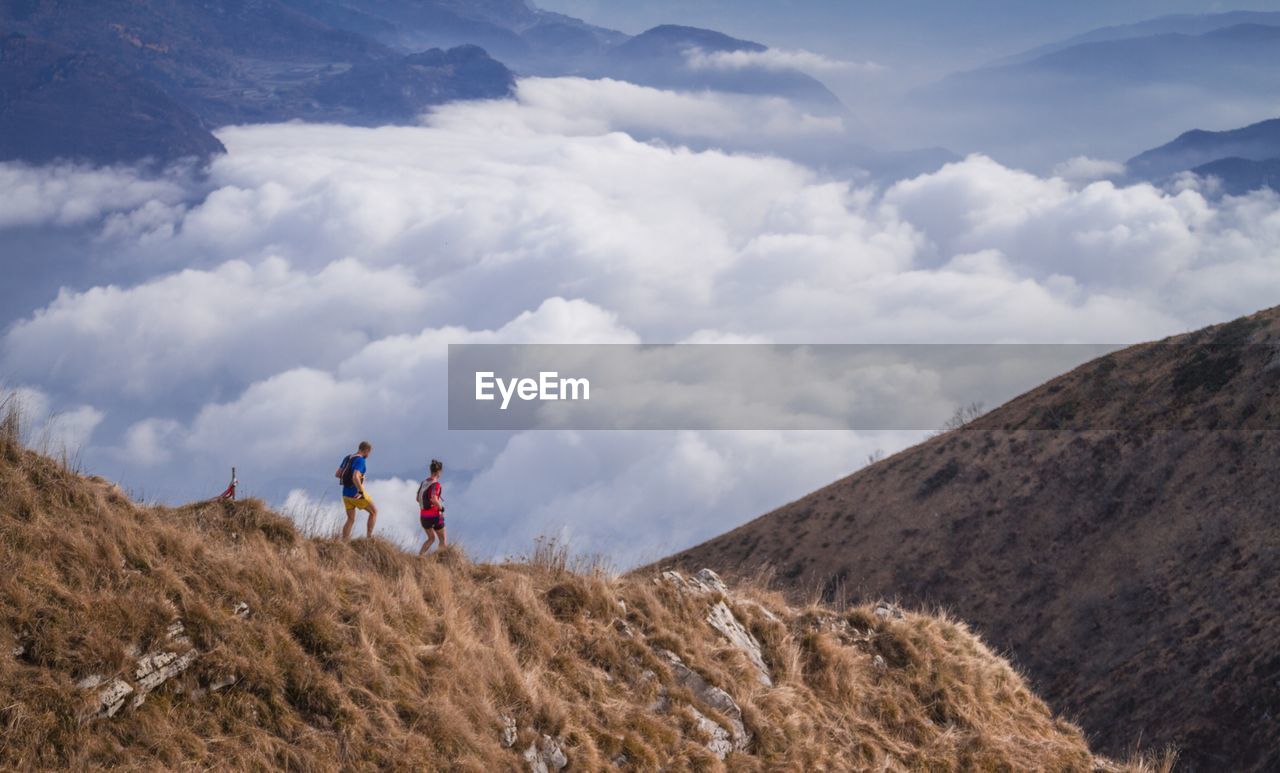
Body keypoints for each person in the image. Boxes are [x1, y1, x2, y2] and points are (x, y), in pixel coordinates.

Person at [336, 441, 377, 540]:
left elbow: (337, 474)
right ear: (367, 451)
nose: (368, 455)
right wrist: (360, 491)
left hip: (345, 494)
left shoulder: (348, 458)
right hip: (356, 494)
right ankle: (369, 539)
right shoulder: (360, 460)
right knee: (374, 512)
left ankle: (344, 542)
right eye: (369, 453)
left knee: (350, 519)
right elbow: (355, 477)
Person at [417, 459, 446, 556]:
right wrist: (441, 508)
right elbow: (434, 498)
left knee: (431, 538)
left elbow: (417, 498)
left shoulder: (424, 482)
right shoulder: (436, 484)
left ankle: (419, 557)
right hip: (435, 516)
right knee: (442, 540)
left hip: (423, 517)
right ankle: (440, 560)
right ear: (439, 472)